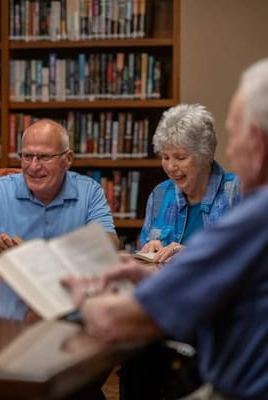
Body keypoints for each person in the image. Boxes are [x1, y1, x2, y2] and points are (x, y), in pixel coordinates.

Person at [62, 57, 268, 399]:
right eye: (165, 157)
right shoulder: (162, 196)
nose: (231, 149)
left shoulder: (251, 211)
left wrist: (82, 300)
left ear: (258, 144)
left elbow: (118, 321)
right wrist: (150, 270)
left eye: (235, 136)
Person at [0, 118, 118, 258]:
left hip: (69, 286)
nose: (34, 167)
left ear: (68, 159)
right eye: (27, 156)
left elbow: (110, 244)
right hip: (7, 285)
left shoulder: (89, 191)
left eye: (45, 157)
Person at [140, 103, 240, 263]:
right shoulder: (160, 194)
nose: (171, 167)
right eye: (165, 157)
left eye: (180, 158)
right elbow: (144, 259)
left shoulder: (238, 192)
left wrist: (195, 255)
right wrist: (147, 252)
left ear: (206, 156)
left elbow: (255, 262)